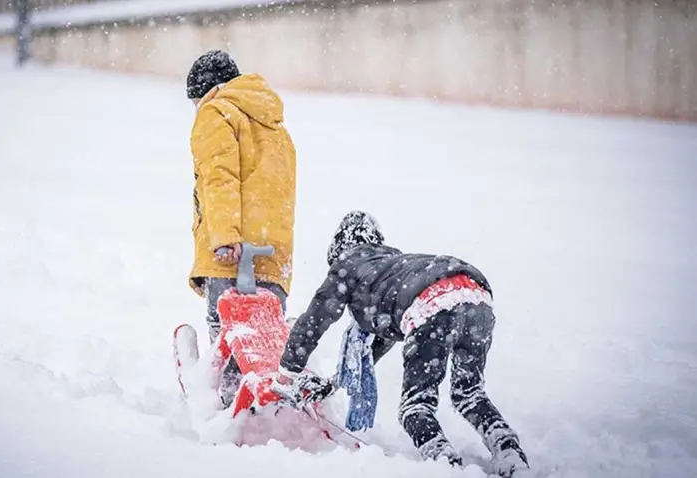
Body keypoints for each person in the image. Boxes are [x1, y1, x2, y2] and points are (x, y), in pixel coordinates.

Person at [273, 211, 530, 477]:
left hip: (432, 303)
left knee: (415, 408)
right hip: (475, 295)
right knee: (469, 393)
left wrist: (286, 373)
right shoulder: (392, 267)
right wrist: (333, 383)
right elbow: (375, 347)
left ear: (338, 249)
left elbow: (314, 321)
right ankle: (509, 452)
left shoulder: (348, 265)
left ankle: (446, 465)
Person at [185, 50, 297, 407]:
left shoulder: (216, 112)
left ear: (207, 90)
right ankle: (265, 404)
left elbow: (219, 179)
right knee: (263, 341)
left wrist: (224, 237)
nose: (196, 109)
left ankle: (226, 405)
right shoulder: (275, 125)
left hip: (232, 250)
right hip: (274, 252)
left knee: (227, 333)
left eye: (194, 101)